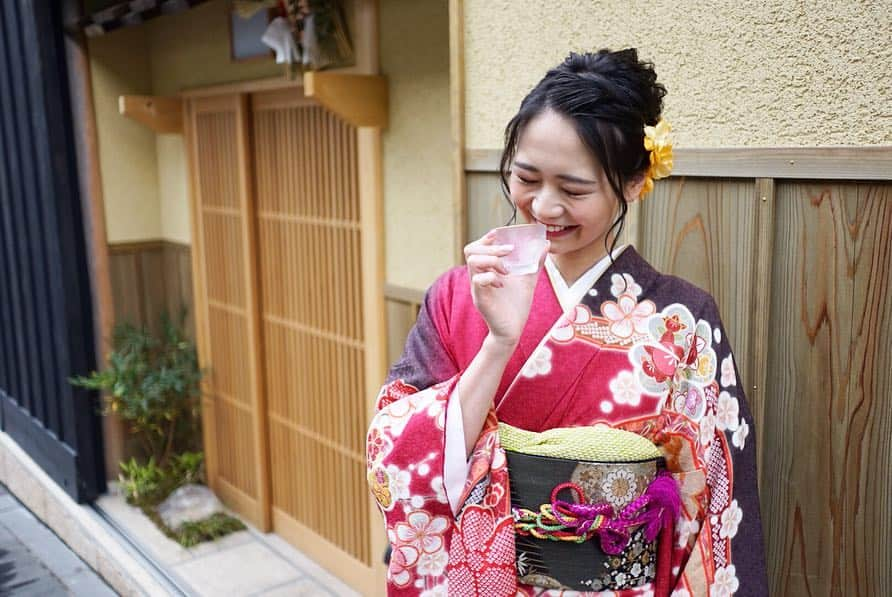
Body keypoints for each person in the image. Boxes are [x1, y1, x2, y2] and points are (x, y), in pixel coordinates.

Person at [366, 49, 767, 596]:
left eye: (574, 190)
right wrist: (499, 341)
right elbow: (400, 456)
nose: (544, 207)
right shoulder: (455, 297)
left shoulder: (682, 321)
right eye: (526, 178)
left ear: (632, 183)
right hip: (478, 578)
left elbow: (717, 505)